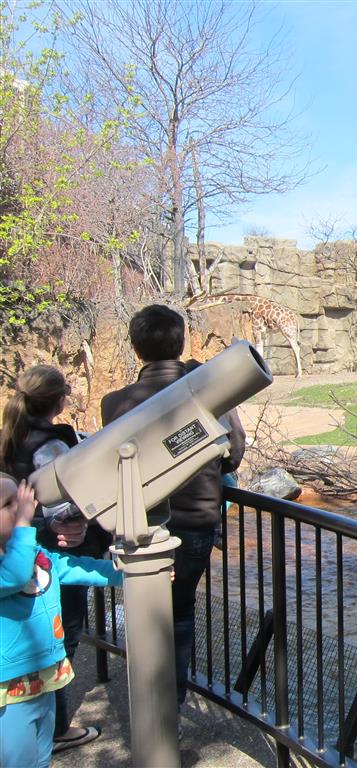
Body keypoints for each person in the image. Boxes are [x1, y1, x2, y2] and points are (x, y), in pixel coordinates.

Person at [101, 305, 246, 714]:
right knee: (179, 612)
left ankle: (148, 702)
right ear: (182, 342)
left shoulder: (115, 404)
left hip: (139, 524)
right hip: (196, 522)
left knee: (145, 610)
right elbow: (233, 455)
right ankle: (171, 706)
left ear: (136, 348)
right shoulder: (205, 392)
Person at [0, 364, 108, 753]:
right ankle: (59, 728)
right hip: (49, 549)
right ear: (59, 401)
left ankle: (49, 728)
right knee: (66, 634)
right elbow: (67, 503)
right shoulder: (53, 446)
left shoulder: (10, 438)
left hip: (35, 547)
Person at [0, 475, 123, 768]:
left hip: (44, 678)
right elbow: (15, 576)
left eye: (21, 500)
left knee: (42, 757)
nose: (21, 508)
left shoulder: (35, 553)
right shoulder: (15, 562)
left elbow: (76, 567)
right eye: (8, 504)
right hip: (10, 693)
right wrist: (24, 523)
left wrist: (128, 573)